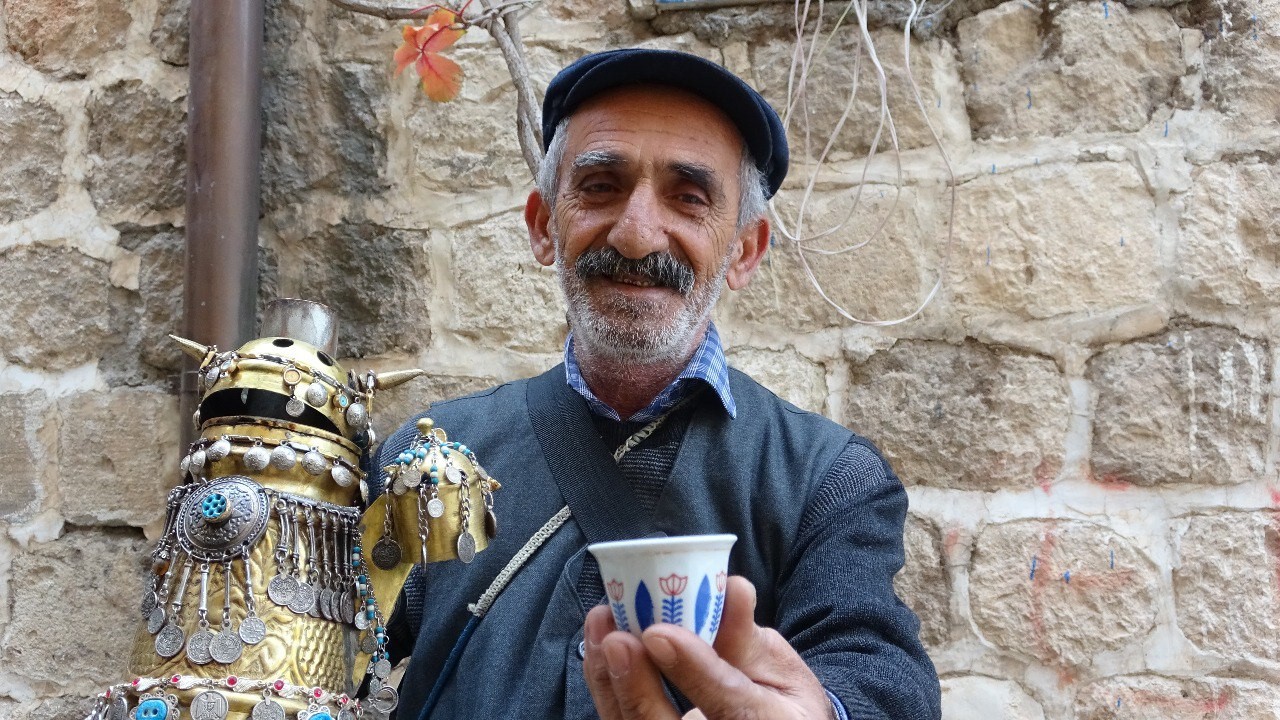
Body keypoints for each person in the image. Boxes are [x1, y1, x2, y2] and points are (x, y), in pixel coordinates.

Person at [377, 48, 941, 720]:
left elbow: (880, 678)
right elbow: (321, 654)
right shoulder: (426, 459)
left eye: (689, 198)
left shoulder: (829, 481)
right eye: (600, 186)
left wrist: (823, 713)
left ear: (745, 250)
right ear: (543, 226)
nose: (638, 236)